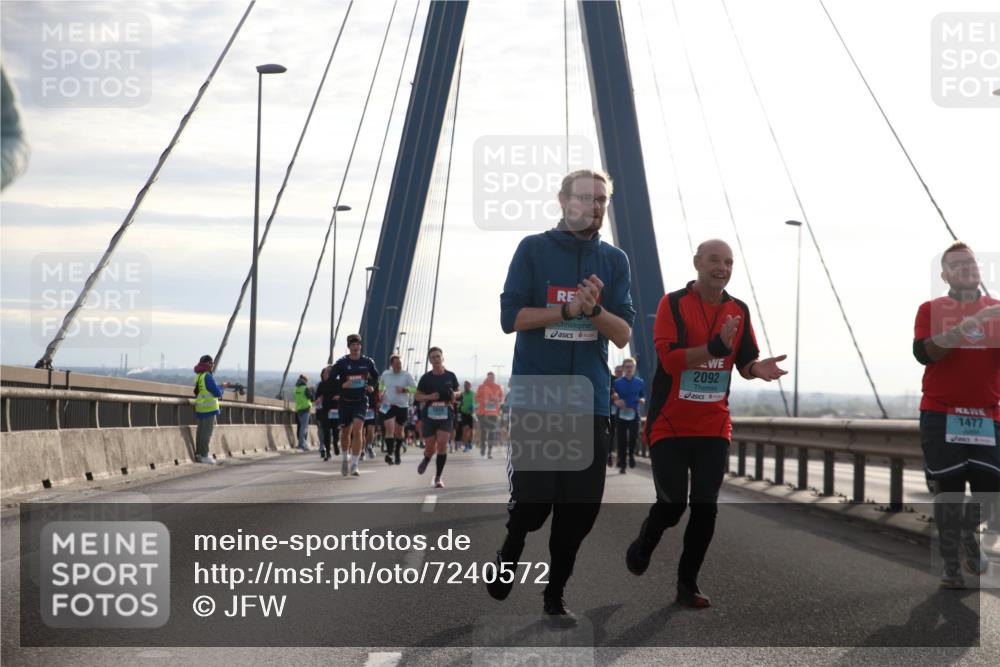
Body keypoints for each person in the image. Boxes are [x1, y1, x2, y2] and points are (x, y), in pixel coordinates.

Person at [489, 169, 635, 625]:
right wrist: (567, 309)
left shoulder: (614, 260)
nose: (595, 207)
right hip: (538, 396)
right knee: (534, 506)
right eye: (587, 198)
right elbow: (511, 318)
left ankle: (555, 593)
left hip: (588, 403)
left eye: (602, 200)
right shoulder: (533, 249)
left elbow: (623, 334)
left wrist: (593, 310)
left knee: (580, 511)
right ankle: (512, 546)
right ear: (562, 200)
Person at [625, 239, 787, 608]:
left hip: (713, 426)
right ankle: (648, 537)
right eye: (714, 260)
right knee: (672, 506)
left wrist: (755, 370)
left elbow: (745, 361)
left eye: (728, 262)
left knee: (706, 506)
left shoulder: (739, 310)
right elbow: (670, 361)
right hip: (669, 424)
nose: (722, 267)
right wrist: (713, 349)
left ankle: (687, 583)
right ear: (697, 262)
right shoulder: (673, 304)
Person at [912, 241, 1000, 588]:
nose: (968, 269)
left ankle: (968, 534)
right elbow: (926, 353)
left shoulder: (997, 310)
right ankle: (951, 564)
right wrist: (971, 322)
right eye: (958, 265)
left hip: (986, 415)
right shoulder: (930, 309)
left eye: (972, 263)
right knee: (948, 488)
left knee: (988, 489)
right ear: (945, 274)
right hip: (941, 411)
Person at [331, 334, 380, 477]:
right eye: (352, 344)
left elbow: (376, 376)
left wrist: (371, 386)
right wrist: (342, 384)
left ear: (360, 346)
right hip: (345, 402)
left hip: (361, 401)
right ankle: (345, 458)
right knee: (346, 433)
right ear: (349, 347)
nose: (355, 346)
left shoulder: (368, 361)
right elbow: (332, 379)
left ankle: (354, 464)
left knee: (358, 430)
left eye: (358, 344)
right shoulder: (341, 363)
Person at [415, 347, 459, 488]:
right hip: (429, 415)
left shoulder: (450, 376)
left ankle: (438, 477)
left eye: (438, 356)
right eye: (433, 357)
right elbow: (417, 396)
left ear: (442, 358)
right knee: (430, 446)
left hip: (446, 413)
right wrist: (429, 397)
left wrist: (455, 395)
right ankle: (427, 458)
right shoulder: (426, 378)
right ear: (430, 361)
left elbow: (458, 392)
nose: (436, 359)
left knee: (442, 443)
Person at [380, 355, 417, 465]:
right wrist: (380, 393)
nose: (398, 365)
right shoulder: (386, 374)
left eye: (400, 363)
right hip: (388, 405)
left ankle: (397, 452)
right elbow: (381, 385)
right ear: (392, 365)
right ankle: (390, 454)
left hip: (402, 406)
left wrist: (404, 389)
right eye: (396, 364)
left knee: (399, 432)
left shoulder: (406, 375)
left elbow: (415, 389)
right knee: (389, 430)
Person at [613, 357, 645, 473]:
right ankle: (622, 464)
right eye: (627, 367)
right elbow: (612, 397)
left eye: (631, 367)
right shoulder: (616, 383)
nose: (629, 369)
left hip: (634, 412)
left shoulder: (640, 382)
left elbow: (642, 395)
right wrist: (616, 401)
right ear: (623, 368)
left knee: (633, 437)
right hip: (621, 413)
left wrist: (642, 400)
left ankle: (631, 455)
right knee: (621, 440)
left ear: (634, 368)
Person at [193, 354, 224, 464]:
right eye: (211, 363)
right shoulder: (208, 376)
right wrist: (222, 388)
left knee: (200, 432)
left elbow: (202, 390)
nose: (212, 366)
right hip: (209, 409)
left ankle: (199, 454)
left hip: (200, 408)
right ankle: (205, 455)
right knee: (207, 433)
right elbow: (217, 393)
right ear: (207, 364)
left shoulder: (198, 376)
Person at [314, 366, 340, 461]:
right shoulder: (322, 384)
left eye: (326, 372)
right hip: (325, 411)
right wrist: (318, 399)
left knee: (335, 431)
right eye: (324, 372)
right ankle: (328, 452)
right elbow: (317, 396)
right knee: (326, 432)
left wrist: (339, 396)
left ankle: (336, 444)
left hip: (336, 410)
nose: (324, 374)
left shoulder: (338, 382)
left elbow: (344, 393)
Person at [475, 371, 504, 458]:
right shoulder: (481, 387)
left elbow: (501, 397)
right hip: (482, 413)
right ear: (487, 377)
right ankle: (483, 448)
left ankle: (489, 452)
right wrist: (484, 401)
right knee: (484, 431)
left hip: (493, 413)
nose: (492, 379)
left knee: (491, 432)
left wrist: (497, 399)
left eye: (493, 377)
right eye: (490, 377)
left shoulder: (498, 387)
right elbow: (476, 397)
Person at [293, 374, 314, 451]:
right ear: (305, 380)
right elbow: (311, 398)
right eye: (307, 381)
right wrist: (311, 391)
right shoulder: (305, 388)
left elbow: (295, 397)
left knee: (301, 427)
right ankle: (302, 444)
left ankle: (301, 443)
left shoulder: (296, 389)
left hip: (298, 409)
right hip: (305, 409)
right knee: (304, 428)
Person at [457, 381, 476, 452]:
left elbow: (478, 403)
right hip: (463, 413)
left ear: (470, 386)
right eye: (465, 386)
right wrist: (460, 406)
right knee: (465, 429)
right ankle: (466, 445)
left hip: (472, 414)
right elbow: (458, 404)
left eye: (467, 386)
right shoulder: (462, 394)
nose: (466, 387)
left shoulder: (473, 394)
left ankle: (470, 442)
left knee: (471, 431)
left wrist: (473, 406)